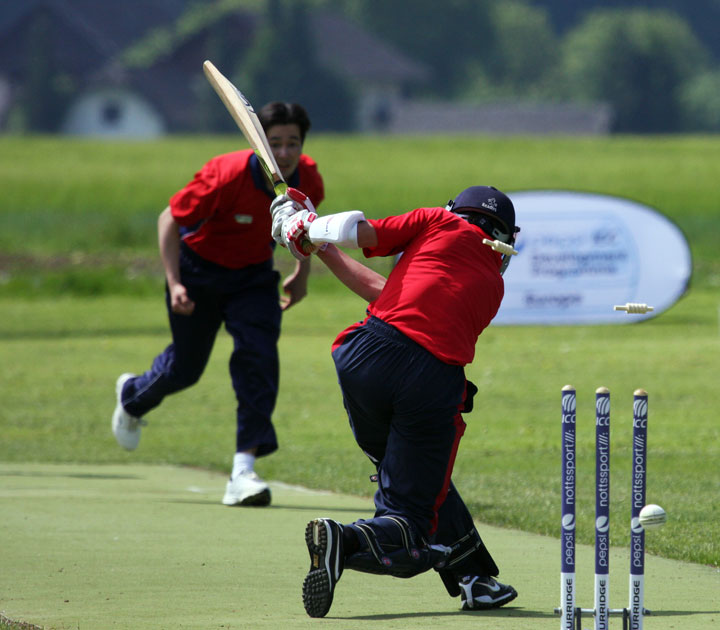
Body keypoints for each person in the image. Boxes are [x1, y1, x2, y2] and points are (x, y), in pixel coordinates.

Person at [272, 185, 520, 616]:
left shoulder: (437, 222)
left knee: (414, 475)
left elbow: (374, 268)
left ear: (455, 211)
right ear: (503, 241)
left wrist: (311, 237)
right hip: (429, 379)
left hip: (365, 358)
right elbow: (355, 230)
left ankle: (474, 577)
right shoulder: (493, 284)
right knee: (411, 523)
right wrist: (311, 229)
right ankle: (344, 540)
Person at [111, 102, 324, 507]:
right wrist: (174, 284)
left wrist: (303, 274)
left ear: (302, 144)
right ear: (259, 142)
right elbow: (168, 220)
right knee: (185, 369)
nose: (283, 153)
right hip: (198, 273)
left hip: (254, 278)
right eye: (274, 142)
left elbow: (305, 226)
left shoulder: (307, 177)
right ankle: (132, 395)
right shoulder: (225, 175)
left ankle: (243, 470)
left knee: (257, 360)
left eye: (292, 143)